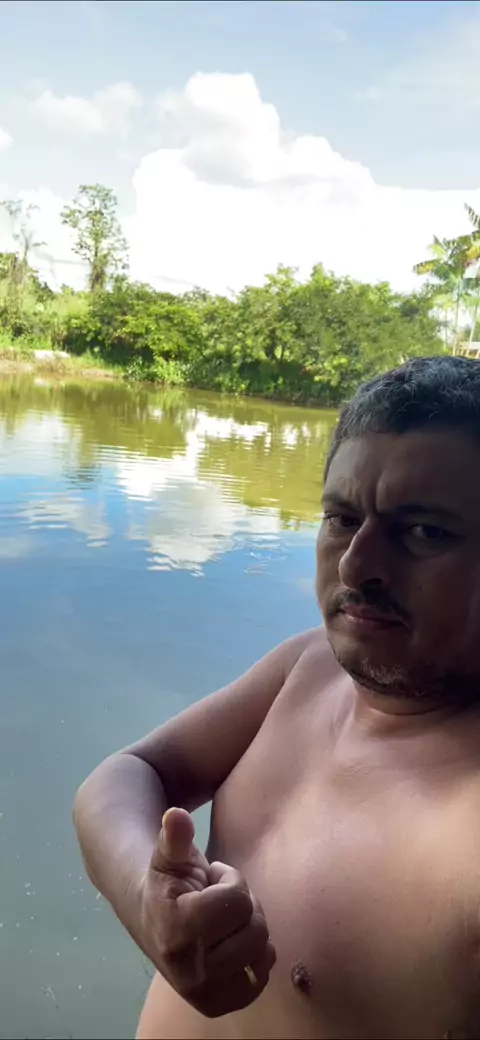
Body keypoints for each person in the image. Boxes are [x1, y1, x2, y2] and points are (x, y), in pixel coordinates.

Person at [74, 355, 480, 1040]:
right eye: (342, 518)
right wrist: (147, 900)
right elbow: (127, 774)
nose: (356, 565)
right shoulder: (308, 669)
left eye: (425, 532)